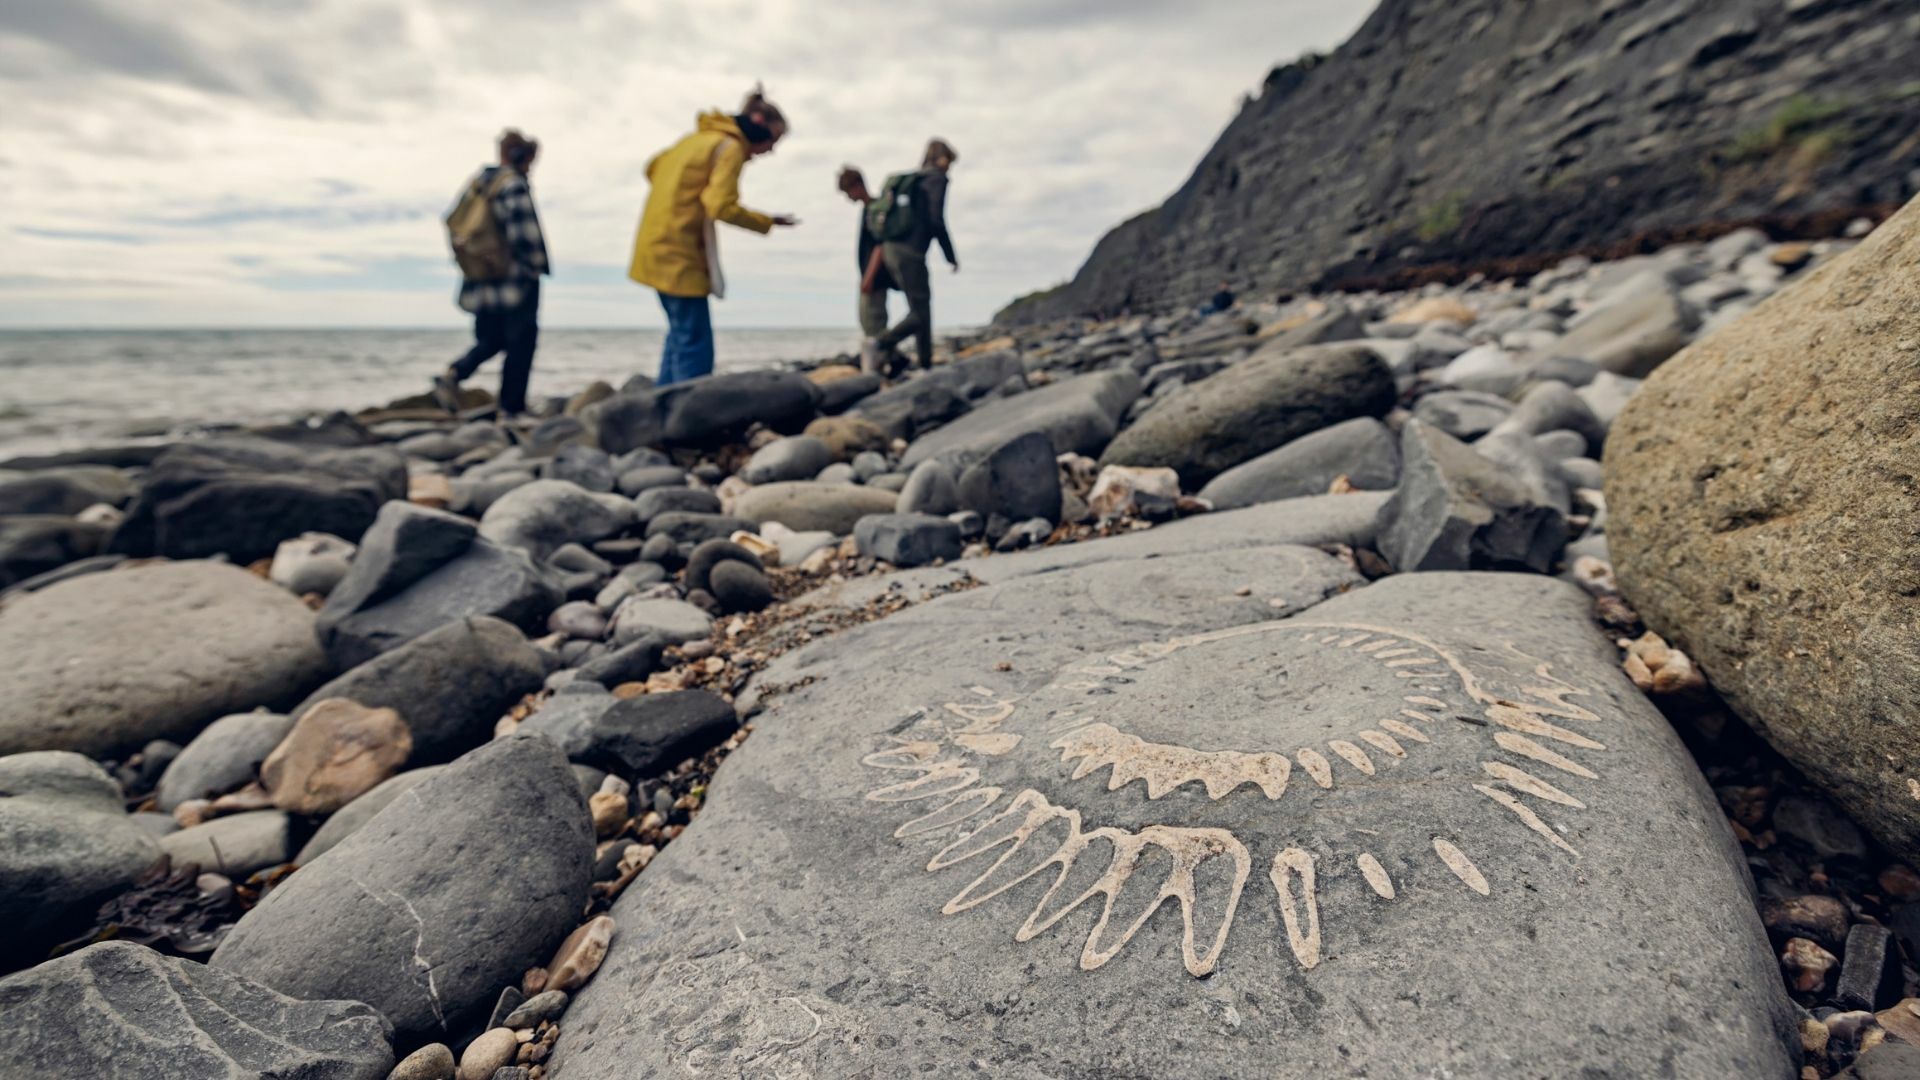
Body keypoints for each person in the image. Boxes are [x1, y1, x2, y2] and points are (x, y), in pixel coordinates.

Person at [630, 86, 798, 386]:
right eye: (773, 140)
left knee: (681, 334)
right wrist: (766, 221)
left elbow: (652, 168)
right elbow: (720, 205)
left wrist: (678, 194)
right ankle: (688, 418)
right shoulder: (729, 147)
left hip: (652, 244)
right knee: (695, 343)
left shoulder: (696, 139)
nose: (770, 150)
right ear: (758, 123)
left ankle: (660, 406)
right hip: (678, 251)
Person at [435, 129, 549, 419]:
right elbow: (525, 234)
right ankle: (511, 409)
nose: (530, 168)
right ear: (520, 156)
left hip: (480, 279)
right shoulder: (512, 185)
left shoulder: (478, 184)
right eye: (529, 161)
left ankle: (454, 373)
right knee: (521, 342)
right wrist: (535, 267)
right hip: (514, 281)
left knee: (492, 339)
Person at [859, 139, 959, 374]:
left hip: (890, 250)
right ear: (944, 159)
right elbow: (936, 219)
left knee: (919, 306)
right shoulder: (936, 179)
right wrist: (950, 254)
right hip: (910, 252)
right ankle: (880, 343)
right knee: (920, 310)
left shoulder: (914, 180)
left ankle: (925, 362)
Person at [838, 165, 903, 375]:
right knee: (870, 320)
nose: (848, 197)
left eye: (848, 191)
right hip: (870, 275)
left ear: (857, 185)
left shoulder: (874, 209)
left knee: (873, 321)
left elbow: (879, 245)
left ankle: (885, 362)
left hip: (875, 277)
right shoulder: (868, 210)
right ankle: (891, 359)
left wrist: (869, 276)